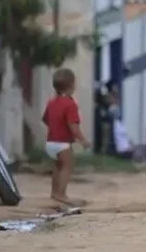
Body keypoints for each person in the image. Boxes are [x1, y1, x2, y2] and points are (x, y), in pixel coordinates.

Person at [42, 68, 90, 206]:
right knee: (67, 166)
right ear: (72, 86)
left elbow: (45, 119)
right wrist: (83, 140)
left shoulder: (51, 102)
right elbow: (73, 126)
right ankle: (61, 194)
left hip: (50, 143)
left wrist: (55, 126)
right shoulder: (70, 104)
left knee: (58, 167)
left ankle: (54, 192)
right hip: (62, 144)